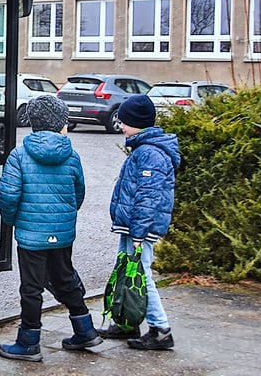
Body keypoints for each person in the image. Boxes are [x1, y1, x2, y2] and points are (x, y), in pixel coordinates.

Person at [0, 95, 101, 362]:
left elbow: (8, 196)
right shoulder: (72, 155)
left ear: (33, 121)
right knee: (64, 278)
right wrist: (63, 218)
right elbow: (79, 192)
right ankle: (85, 330)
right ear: (59, 123)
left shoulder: (19, 155)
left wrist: (13, 220)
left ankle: (29, 342)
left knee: (31, 288)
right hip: (62, 232)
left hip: (31, 235)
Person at [96, 94, 180, 350]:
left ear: (137, 123)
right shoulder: (145, 149)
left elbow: (148, 197)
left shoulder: (150, 153)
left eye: (124, 121)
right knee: (127, 270)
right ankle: (127, 322)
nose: (120, 126)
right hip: (133, 226)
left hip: (139, 229)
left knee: (140, 274)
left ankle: (160, 329)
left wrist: (139, 233)